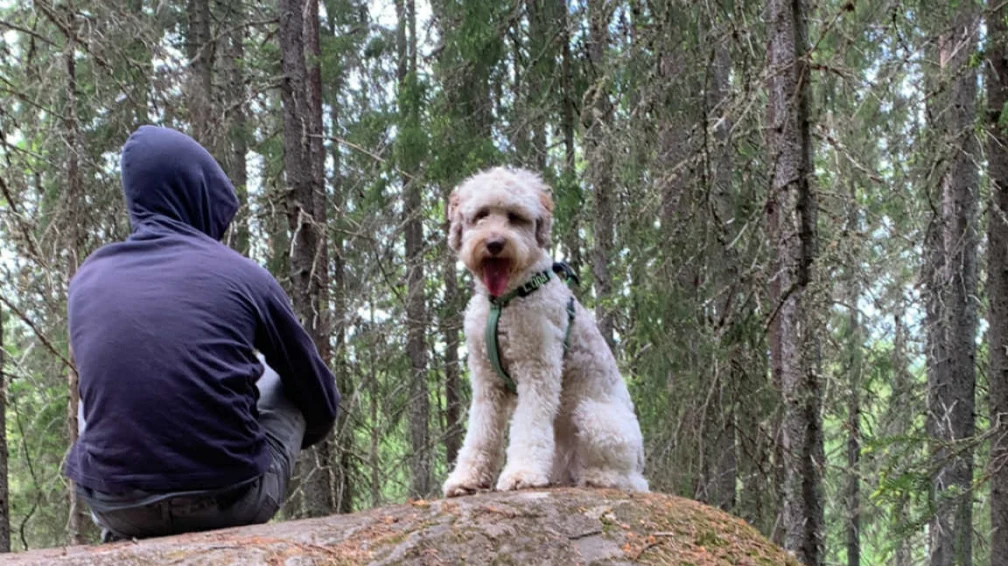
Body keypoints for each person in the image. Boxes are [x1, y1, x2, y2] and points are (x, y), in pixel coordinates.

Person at [64, 125, 340, 542]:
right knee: (282, 375)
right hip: (230, 500)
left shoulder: (87, 279)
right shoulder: (243, 275)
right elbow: (320, 399)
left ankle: (136, 521)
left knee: (98, 393)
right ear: (198, 194)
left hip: (116, 508)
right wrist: (268, 433)